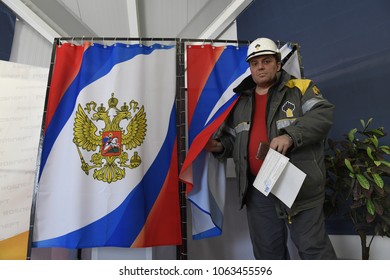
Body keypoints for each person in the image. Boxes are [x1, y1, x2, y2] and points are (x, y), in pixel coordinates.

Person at [205, 37, 337, 260]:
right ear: (250, 68)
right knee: (268, 256)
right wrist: (218, 146)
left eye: (266, 61)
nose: (260, 67)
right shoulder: (240, 102)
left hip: (298, 188)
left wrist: (291, 135)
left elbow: (322, 115)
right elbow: (233, 142)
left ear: (278, 64)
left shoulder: (300, 88)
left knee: (313, 251)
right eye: (255, 64)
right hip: (259, 191)